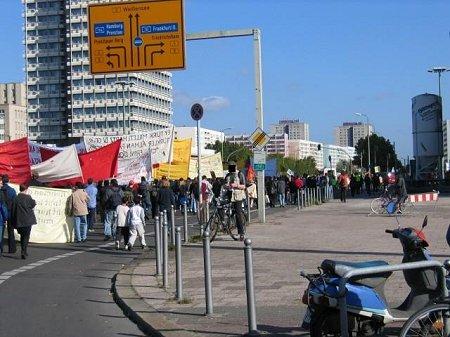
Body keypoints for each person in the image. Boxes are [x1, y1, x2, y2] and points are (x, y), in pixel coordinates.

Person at [10, 184, 37, 259]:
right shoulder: (28, 197)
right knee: (26, 235)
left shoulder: (16, 198)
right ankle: (24, 251)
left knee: (22, 235)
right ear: (26, 189)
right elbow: (33, 204)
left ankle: (23, 250)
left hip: (19, 219)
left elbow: (13, 210)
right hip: (28, 219)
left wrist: (12, 220)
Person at [225, 161, 246, 241]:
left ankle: (241, 233)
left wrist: (236, 185)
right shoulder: (227, 175)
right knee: (222, 208)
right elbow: (224, 184)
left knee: (238, 214)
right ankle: (225, 225)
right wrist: (226, 186)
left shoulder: (240, 174)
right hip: (229, 196)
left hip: (238, 197)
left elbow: (244, 186)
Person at [1, 175, 17, 254]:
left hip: (1, 213)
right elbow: (15, 203)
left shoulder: (0, 190)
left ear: (2, 181)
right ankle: (12, 249)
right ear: (9, 181)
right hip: (10, 212)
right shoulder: (12, 190)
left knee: (1, 231)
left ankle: (1, 248)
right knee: (10, 231)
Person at [0, 180, 8, 257]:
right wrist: (5, 218)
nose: (2, 184)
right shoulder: (1, 193)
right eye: (1, 183)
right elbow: (3, 208)